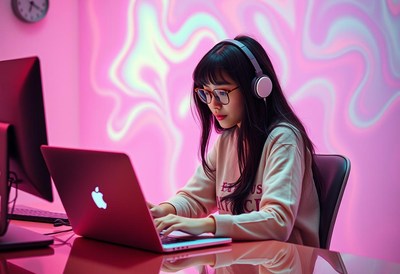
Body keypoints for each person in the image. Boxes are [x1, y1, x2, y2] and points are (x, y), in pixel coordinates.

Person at [148, 34, 320, 247]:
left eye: (221, 92)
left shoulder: (283, 139)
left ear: (258, 87)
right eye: (206, 94)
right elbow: (194, 198)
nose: (213, 104)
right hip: (241, 261)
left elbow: (278, 222)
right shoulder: (228, 140)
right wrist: (163, 211)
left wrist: (208, 225)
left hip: (283, 262)